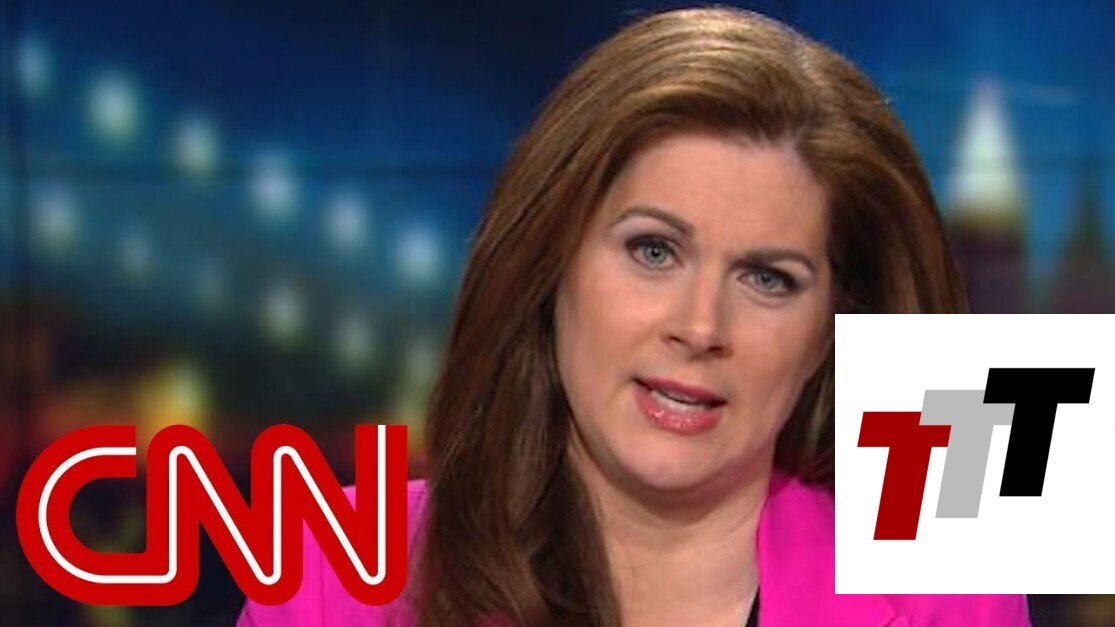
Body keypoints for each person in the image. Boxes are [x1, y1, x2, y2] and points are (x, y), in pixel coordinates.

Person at [239, 7, 1031, 626]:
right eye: (653, 250)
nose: (699, 325)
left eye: (767, 278)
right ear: (550, 260)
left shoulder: (948, 590)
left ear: (832, 325)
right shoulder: (339, 560)